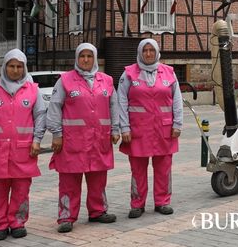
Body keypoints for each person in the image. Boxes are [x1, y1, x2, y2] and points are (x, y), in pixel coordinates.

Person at [47, 43, 119, 233]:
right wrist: (56, 134)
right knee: (69, 181)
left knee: (98, 178)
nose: (86, 59)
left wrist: (116, 129)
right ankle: (66, 217)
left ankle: (98, 211)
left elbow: (114, 106)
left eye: (89, 56)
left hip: (99, 139)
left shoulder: (107, 80)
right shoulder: (65, 81)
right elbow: (54, 107)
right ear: (77, 59)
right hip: (72, 141)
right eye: (82, 56)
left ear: (95, 58)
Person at [118, 39, 183, 218]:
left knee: (164, 169)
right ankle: (137, 204)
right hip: (138, 131)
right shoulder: (129, 74)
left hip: (164, 130)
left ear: (157, 52)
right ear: (140, 52)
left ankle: (162, 202)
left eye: (151, 50)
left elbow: (177, 100)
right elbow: (121, 101)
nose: (148, 54)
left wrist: (178, 124)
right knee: (138, 170)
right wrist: (124, 127)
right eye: (145, 50)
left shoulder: (169, 73)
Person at [0, 49, 46, 241]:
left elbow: (40, 116)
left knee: (21, 189)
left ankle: (17, 222)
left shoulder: (33, 90)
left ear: (24, 68)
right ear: (5, 67)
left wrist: (37, 140)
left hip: (24, 150)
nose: (15, 70)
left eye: (19, 66)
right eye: (11, 66)